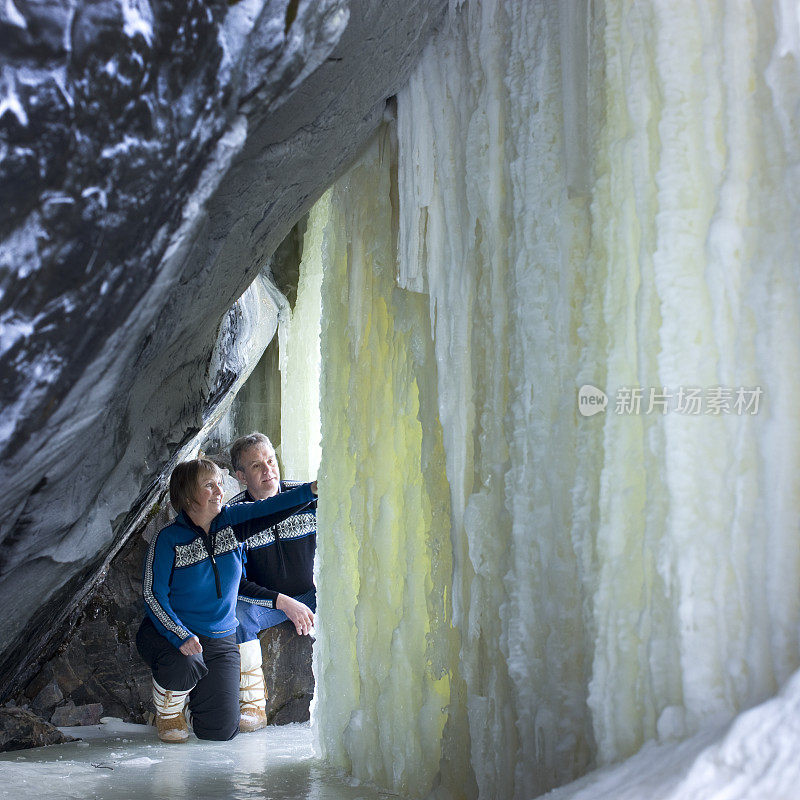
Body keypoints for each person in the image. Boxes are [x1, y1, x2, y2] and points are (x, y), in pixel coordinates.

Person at [135, 457, 317, 743]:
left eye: (220, 483)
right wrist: (179, 635)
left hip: (220, 637)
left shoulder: (231, 522)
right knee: (186, 664)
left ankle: (195, 700)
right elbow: (152, 594)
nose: (220, 491)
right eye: (209, 485)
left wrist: (312, 491)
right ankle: (168, 709)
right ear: (186, 495)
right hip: (170, 634)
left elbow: (271, 507)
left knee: (220, 731)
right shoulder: (168, 538)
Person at [228, 432, 317, 732]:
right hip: (271, 604)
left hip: (317, 594)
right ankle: (253, 706)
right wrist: (282, 601)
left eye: (271, 461)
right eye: (256, 466)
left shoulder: (307, 497)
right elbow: (236, 584)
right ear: (241, 476)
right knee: (238, 615)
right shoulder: (235, 515)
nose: (268, 471)